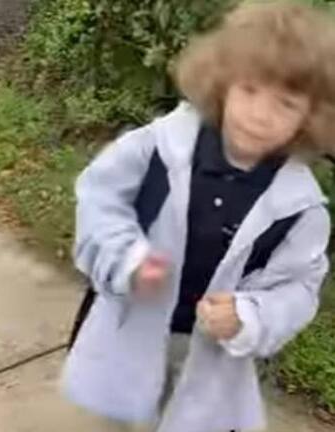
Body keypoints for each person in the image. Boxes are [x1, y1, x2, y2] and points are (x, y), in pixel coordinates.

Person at [61, 2, 335, 431]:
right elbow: (99, 198)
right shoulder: (158, 146)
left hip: (211, 353)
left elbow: (299, 285)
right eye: (249, 90)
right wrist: (124, 258)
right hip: (134, 330)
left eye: (285, 103)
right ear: (222, 82)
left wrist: (250, 314)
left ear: (311, 115)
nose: (261, 115)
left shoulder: (300, 207)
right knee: (123, 419)